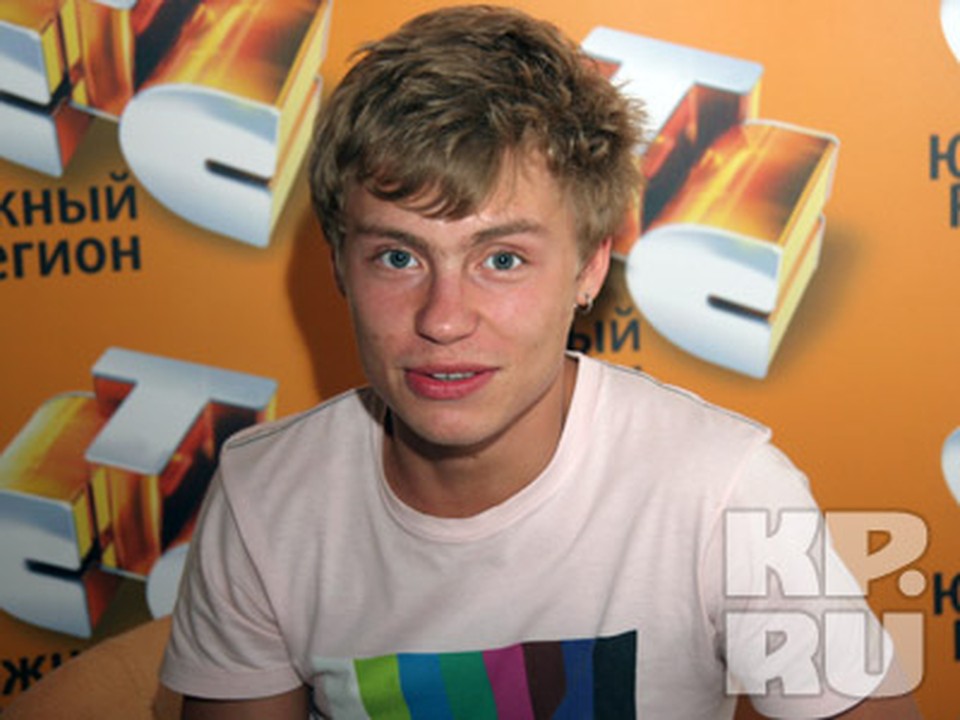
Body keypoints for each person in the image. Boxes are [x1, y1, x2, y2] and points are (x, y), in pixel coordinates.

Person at [160, 5, 921, 719]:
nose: (443, 318)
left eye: (502, 259)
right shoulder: (265, 497)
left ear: (590, 268)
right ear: (338, 266)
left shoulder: (726, 491)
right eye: (398, 256)